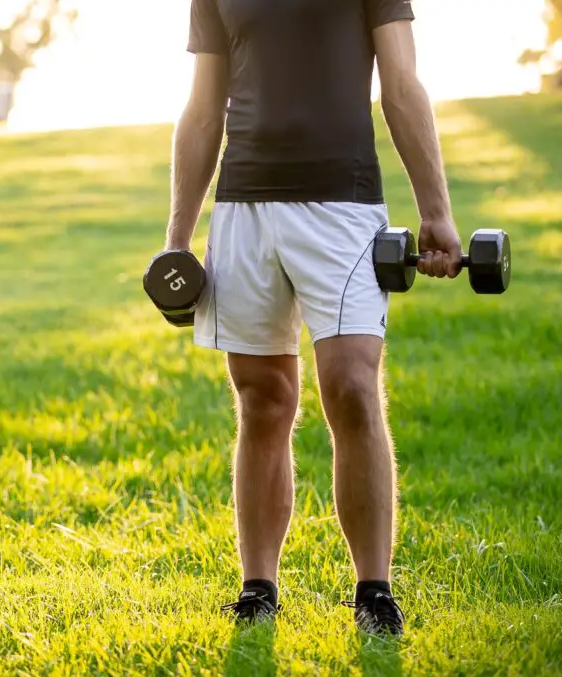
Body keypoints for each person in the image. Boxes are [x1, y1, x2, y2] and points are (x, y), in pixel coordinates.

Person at [163, 0, 463, 636]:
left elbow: (401, 84)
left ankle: (373, 590)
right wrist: (177, 237)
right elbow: (202, 108)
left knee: (352, 387)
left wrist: (435, 207)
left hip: (344, 204)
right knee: (263, 399)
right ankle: (257, 588)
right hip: (244, 206)